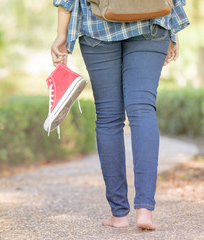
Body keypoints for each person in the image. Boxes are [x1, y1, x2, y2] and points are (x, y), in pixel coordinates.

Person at [51, 0, 189, 230]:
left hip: (98, 25)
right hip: (152, 20)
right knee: (143, 109)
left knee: (108, 117)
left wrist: (61, 33)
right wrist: (172, 30)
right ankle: (145, 210)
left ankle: (119, 214)